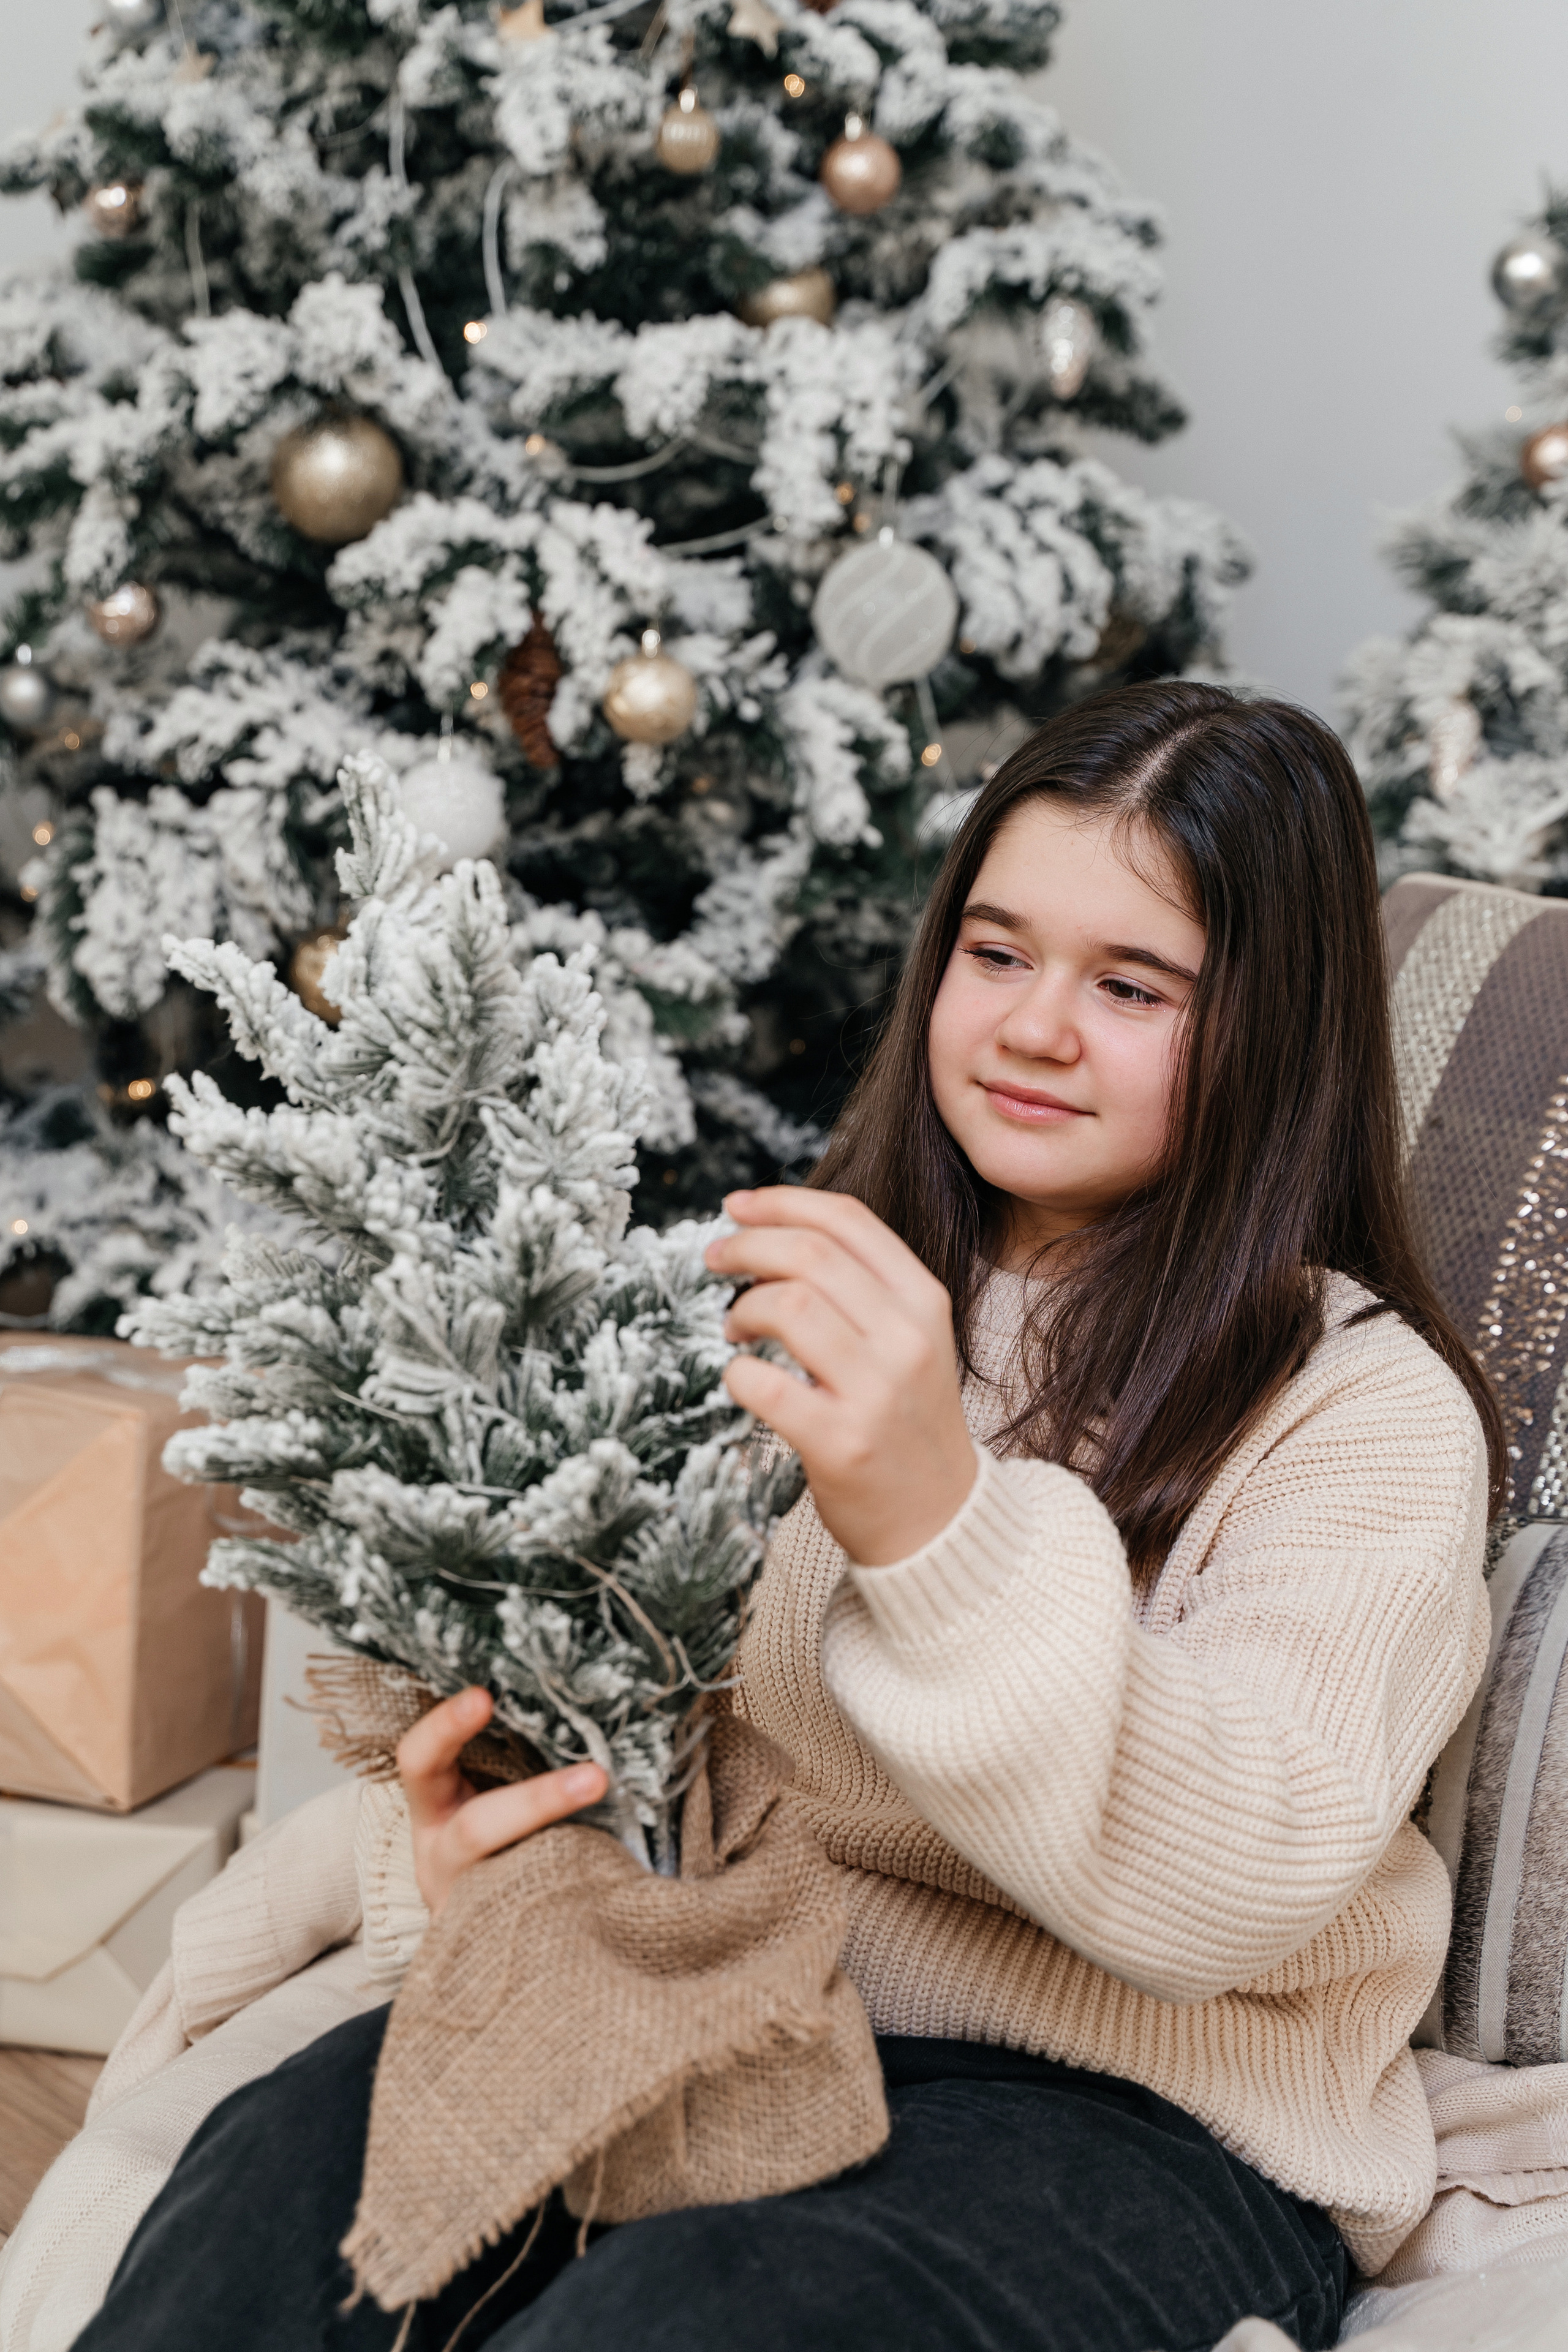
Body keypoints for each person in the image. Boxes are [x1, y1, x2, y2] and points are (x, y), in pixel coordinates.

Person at [74, 682, 1502, 2352]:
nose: (1037, 1027)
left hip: (1139, 2115)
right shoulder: (795, 1291)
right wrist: (495, 1844)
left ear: (1279, 1026)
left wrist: (937, 1518)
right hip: (730, 1999)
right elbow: (676, 1737)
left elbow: (1238, 1881)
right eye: (996, 953)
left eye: (1133, 988)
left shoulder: (1361, 1404)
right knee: (274, 2180)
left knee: (697, 2317)